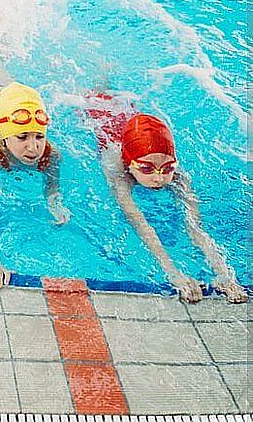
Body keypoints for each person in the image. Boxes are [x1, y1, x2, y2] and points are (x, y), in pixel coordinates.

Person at [85, 92, 247, 303]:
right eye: (147, 169)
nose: (159, 178)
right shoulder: (118, 172)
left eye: (167, 167)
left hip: (135, 124)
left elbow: (196, 229)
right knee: (97, 94)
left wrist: (225, 275)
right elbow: (143, 227)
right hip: (100, 114)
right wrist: (175, 275)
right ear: (131, 165)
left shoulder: (178, 176)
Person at [0, 82, 69, 287]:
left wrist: (55, 205)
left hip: (9, 107)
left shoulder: (51, 154)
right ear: (5, 135)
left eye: (39, 136)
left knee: (4, 83)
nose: (33, 146)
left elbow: (52, 188)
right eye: (22, 137)